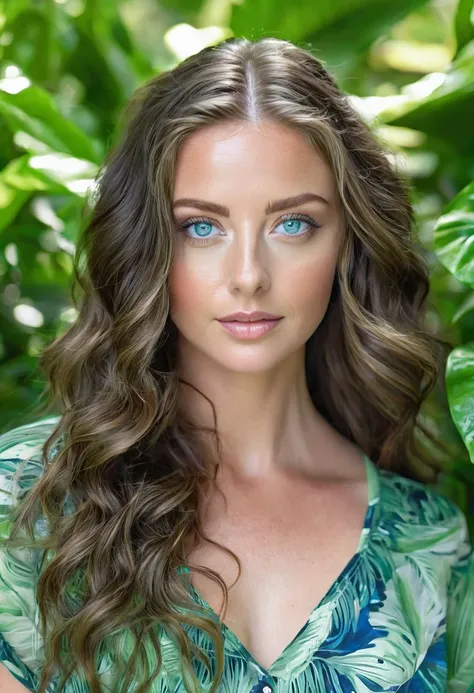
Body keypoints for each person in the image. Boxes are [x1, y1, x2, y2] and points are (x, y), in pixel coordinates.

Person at [0, 36, 472, 693]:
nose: (247, 276)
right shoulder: (24, 506)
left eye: (293, 225)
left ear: (348, 242)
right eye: (201, 227)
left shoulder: (432, 546)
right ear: (147, 244)